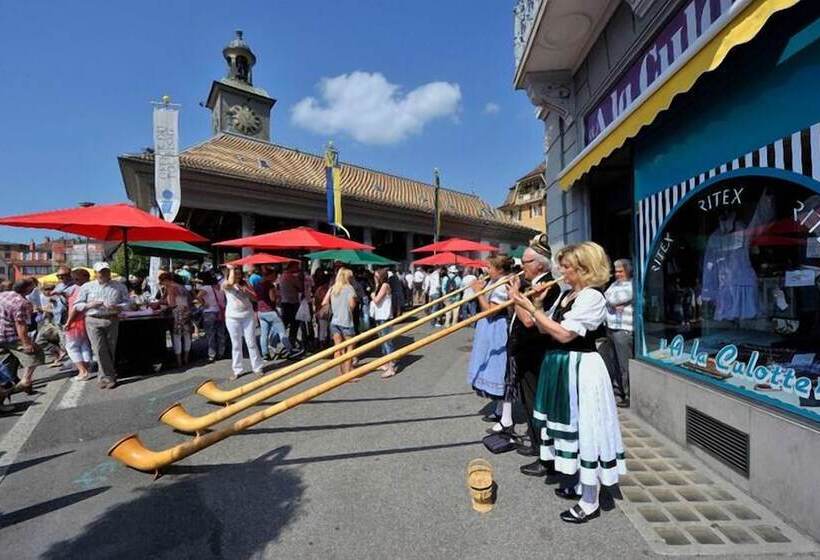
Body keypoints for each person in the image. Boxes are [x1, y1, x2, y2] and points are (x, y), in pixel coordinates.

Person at [510, 242, 625, 524]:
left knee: (587, 428)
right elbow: (544, 329)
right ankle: (579, 484)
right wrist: (537, 305)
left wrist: (529, 307)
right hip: (563, 366)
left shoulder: (592, 297)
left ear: (584, 269)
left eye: (567, 267)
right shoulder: (566, 294)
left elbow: (564, 334)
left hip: (582, 368)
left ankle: (590, 501)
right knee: (570, 427)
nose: (562, 271)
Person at [508, 239, 561, 477]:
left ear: (539, 264)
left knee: (537, 404)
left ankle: (545, 457)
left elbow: (530, 321)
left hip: (536, 354)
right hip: (525, 352)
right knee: (528, 402)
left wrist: (515, 295)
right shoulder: (533, 284)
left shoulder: (548, 285)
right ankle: (535, 442)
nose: (522, 266)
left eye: (525, 261)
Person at [466, 255, 514, 428]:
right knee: (493, 367)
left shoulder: (502, 285)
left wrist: (478, 292)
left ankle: (505, 415)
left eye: (490, 267)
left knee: (499, 368)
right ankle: (500, 409)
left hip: (497, 327)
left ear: (500, 270)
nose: (486, 270)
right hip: (490, 327)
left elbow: (491, 311)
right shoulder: (495, 281)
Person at [73, 262, 129, 389]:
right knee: (98, 349)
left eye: (106, 271)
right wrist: (90, 305)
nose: (104, 274)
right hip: (93, 319)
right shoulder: (87, 287)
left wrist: (118, 307)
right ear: (95, 273)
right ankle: (108, 377)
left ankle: (105, 375)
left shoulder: (119, 286)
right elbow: (77, 305)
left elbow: (128, 303)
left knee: (110, 349)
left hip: (111, 319)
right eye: (101, 271)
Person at [0, 278, 45, 397]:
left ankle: (11, 382)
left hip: (2, 334)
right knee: (35, 353)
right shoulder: (21, 303)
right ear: (27, 289)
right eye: (32, 287)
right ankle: (26, 381)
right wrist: (26, 343)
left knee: (10, 358)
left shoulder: (3, 295)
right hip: (10, 336)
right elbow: (20, 325)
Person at [599, 258, 634, 408]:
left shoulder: (633, 284)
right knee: (614, 363)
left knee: (624, 365)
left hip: (623, 329)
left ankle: (628, 395)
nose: (617, 274)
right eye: (616, 271)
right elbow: (605, 299)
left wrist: (611, 302)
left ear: (628, 271)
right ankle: (617, 392)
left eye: (620, 271)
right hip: (611, 327)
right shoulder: (614, 284)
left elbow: (615, 299)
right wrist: (611, 303)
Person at [223, 264, 264, 379]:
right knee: (236, 344)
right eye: (235, 273)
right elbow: (230, 283)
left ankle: (257, 367)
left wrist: (247, 292)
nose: (238, 275)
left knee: (251, 342)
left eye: (239, 273)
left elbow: (255, 298)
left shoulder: (245, 283)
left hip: (247, 316)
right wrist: (231, 268)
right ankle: (237, 370)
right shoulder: (225, 284)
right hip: (232, 317)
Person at [323, 268, 358, 376]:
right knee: (350, 348)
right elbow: (352, 305)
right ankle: (348, 374)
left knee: (338, 348)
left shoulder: (333, 288)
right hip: (346, 321)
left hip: (335, 321)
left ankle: (339, 372)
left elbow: (324, 302)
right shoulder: (349, 288)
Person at [64, 268, 94, 381]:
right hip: (87, 320)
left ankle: (82, 371)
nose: (74, 280)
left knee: (71, 347)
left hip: (76, 322)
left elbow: (75, 308)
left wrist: (68, 322)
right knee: (84, 345)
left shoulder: (79, 289)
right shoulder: (92, 287)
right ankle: (86, 368)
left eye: (75, 278)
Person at [256, 268, 292, 360]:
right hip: (270, 311)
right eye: (274, 275)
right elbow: (272, 299)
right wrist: (277, 295)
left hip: (261, 312)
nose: (275, 277)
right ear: (270, 275)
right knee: (282, 331)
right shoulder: (269, 285)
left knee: (264, 334)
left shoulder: (258, 284)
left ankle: (265, 354)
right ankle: (289, 350)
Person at [160, 272, 193, 368]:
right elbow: (190, 300)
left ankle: (179, 361)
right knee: (187, 336)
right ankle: (186, 358)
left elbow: (171, 303)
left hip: (177, 314)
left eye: (162, 282)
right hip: (187, 312)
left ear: (166, 280)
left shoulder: (171, 288)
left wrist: (161, 304)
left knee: (176, 337)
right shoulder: (182, 287)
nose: (162, 284)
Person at [194, 271, 227, 363]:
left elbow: (198, 297)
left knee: (210, 334)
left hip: (209, 312)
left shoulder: (206, 288)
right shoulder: (220, 286)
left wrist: (204, 304)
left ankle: (212, 355)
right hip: (221, 312)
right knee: (221, 333)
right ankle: (221, 352)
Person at [371, 269, 398, 378]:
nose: (374, 278)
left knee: (387, 342)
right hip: (380, 316)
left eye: (376, 276)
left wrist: (372, 295)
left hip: (384, 317)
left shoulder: (385, 285)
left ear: (381, 277)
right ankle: (386, 363)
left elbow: (376, 300)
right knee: (382, 341)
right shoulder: (380, 286)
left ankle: (391, 367)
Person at [279, 262, 304, 349]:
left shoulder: (281, 276)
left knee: (284, 323)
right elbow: (300, 287)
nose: (297, 268)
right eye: (296, 267)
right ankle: (291, 341)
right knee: (294, 323)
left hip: (284, 302)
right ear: (292, 267)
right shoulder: (292, 277)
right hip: (292, 303)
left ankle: (278, 340)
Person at [313, 270, 331, 350]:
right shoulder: (325, 290)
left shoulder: (318, 289)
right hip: (324, 311)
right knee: (324, 328)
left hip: (320, 311)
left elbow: (316, 301)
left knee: (322, 328)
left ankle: (321, 342)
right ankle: (323, 343)